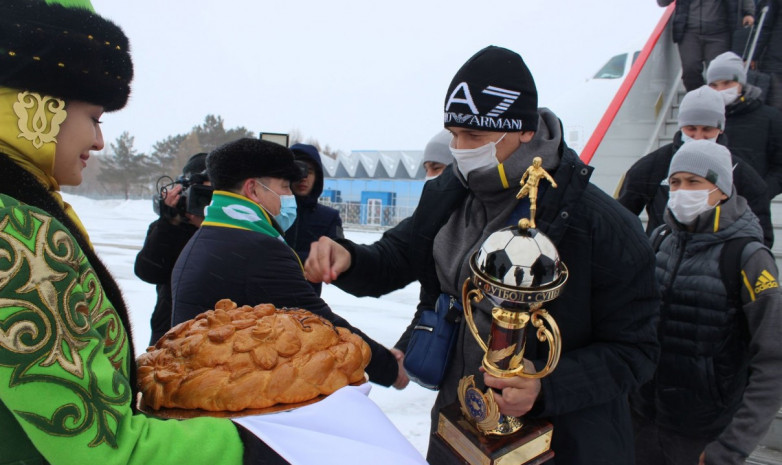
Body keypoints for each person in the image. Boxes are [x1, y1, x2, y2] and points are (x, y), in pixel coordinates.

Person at [305, 45, 661, 464]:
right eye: (454, 134)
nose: (459, 149)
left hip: (559, 442)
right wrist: (348, 258)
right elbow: (397, 256)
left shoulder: (599, 224)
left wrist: (547, 387)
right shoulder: (450, 192)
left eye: (474, 136)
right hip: (459, 424)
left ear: (525, 130)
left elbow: (636, 351)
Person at [0, 1, 290, 463]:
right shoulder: (16, 233)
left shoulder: (29, 205)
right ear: (37, 103)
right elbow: (106, 450)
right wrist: (265, 447)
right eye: (95, 116)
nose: (99, 141)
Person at [170, 138, 407, 389]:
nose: (289, 196)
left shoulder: (211, 234)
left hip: (202, 387)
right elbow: (321, 325)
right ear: (253, 190)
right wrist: (390, 369)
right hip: (222, 401)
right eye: (284, 187)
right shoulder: (256, 248)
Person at [631, 140, 782, 465]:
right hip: (643, 420)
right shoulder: (660, 240)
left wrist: (733, 445)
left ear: (723, 189)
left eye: (694, 182)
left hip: (703, 434)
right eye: (675, 182)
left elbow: (772, 360)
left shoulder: (748, 257)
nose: (682, 191)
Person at [617, 85, 774, 245]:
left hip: (718, 263)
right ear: (681, 126)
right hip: (662, 261)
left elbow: (762, 234)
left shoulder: (741, 173)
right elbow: (620, 218)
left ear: (720, 129)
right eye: (691, 129)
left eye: (707, 129)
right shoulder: (653, 165)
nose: (698, 136)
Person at [135, 153, 211, 345]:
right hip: (168, 328)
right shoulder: (168, 226)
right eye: (199, 193)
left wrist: (208, 227)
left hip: (211, 331)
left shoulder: (225, 228)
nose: (203, 202)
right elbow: (148, 271)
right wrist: (169, 223)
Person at [707, 51, 782, 198]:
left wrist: (763, 192)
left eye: (727, 83)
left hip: (754, 211)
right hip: (710, 206)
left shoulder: (770, 117)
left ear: (741, 82)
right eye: (714, 85)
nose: (721, 90)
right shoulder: (702, 120)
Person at [283, 143, 344, 296]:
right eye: (298, 170)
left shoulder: (328, 217)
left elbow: (336, 256)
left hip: (308, 299)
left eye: (309, 171)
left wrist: (287, 259)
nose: (303, 178)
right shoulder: (272, 210)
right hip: (266, 301)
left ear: (318, 177)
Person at [658, 0, 755, 91]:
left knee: (718, 72)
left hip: (719, 33)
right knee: (690, 70)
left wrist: (748, 13)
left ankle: (718, 103)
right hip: (689, 33)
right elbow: (662, 2)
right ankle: (698, 100)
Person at [756, 0, 782, 111]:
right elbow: (765, 26)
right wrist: (753, 55)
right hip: (776, 61)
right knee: (776, 107)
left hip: (775, 60)